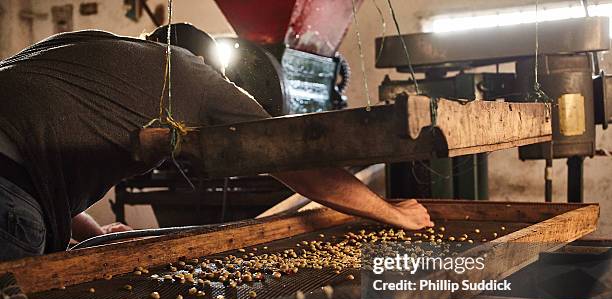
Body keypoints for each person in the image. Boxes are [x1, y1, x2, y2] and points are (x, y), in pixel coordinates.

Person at [0, 23, 432, 262]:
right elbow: (292, 157)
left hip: (15, 184)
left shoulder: (78, 46)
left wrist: (90, 231)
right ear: (206, 62)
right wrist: (391, 211)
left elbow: (30, 144)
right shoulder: (189, 72)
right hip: (10, 195)